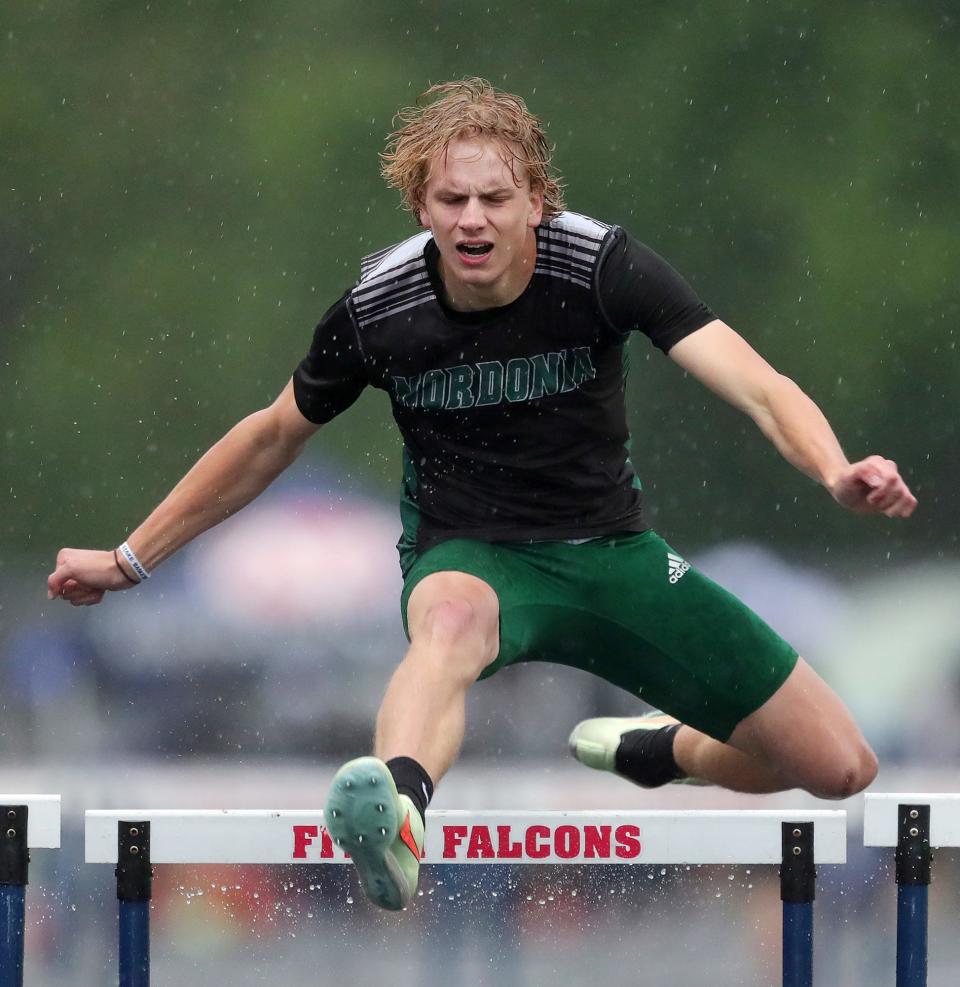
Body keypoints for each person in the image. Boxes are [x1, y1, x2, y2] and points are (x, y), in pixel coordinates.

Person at [48, 78, 917, 913]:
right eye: (451, 200)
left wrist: (835, 468)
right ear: (421, 209)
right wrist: (130, 558)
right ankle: (396, 810)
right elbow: (272, 435)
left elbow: (756, 382)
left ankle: (667, 746)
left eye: (494, 199)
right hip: (468, 556)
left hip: (612, 555)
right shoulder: (379, 309)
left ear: (536, 202)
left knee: (841, 765)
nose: (472, 219)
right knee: (450, 624)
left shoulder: (600, 267)